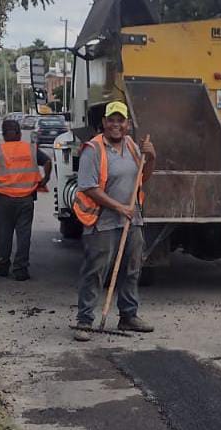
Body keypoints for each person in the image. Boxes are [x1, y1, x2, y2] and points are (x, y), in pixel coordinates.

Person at [71, 101, 156, 340]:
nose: (116, 125)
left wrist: (151, 158)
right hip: (102, 222)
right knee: (95, 271)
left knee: (132, 269)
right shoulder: (93, 149)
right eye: (112, 120)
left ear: (127, 124)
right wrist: (119, 207)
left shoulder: (131, 146)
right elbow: (88, 187)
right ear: (104, 123)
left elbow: (142, 178)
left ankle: (128, 317)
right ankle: (84, 321)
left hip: (131, 220)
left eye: (121, 120)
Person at [0, 119, 52, 281]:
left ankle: (2, 266)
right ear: (19, 133)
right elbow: (47, 161)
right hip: (26, 199)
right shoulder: (30, 148)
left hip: (3, 199)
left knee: (4, 233)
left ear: (4, 135)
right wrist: (45, 179)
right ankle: (20, 270)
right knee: (24, 234)